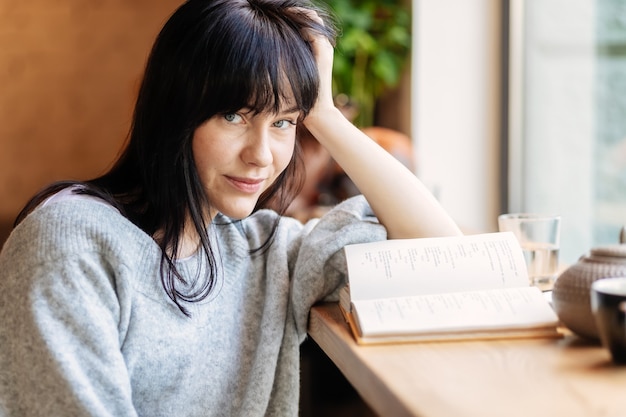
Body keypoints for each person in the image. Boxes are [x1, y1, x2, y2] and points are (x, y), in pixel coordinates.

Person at [0, 0, 462, 416]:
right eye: (234, 115)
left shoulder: (264, 253)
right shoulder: (70, 242)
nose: (262, 155)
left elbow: (446, 256)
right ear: (175, 110)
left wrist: (323, 114)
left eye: (283, 122)